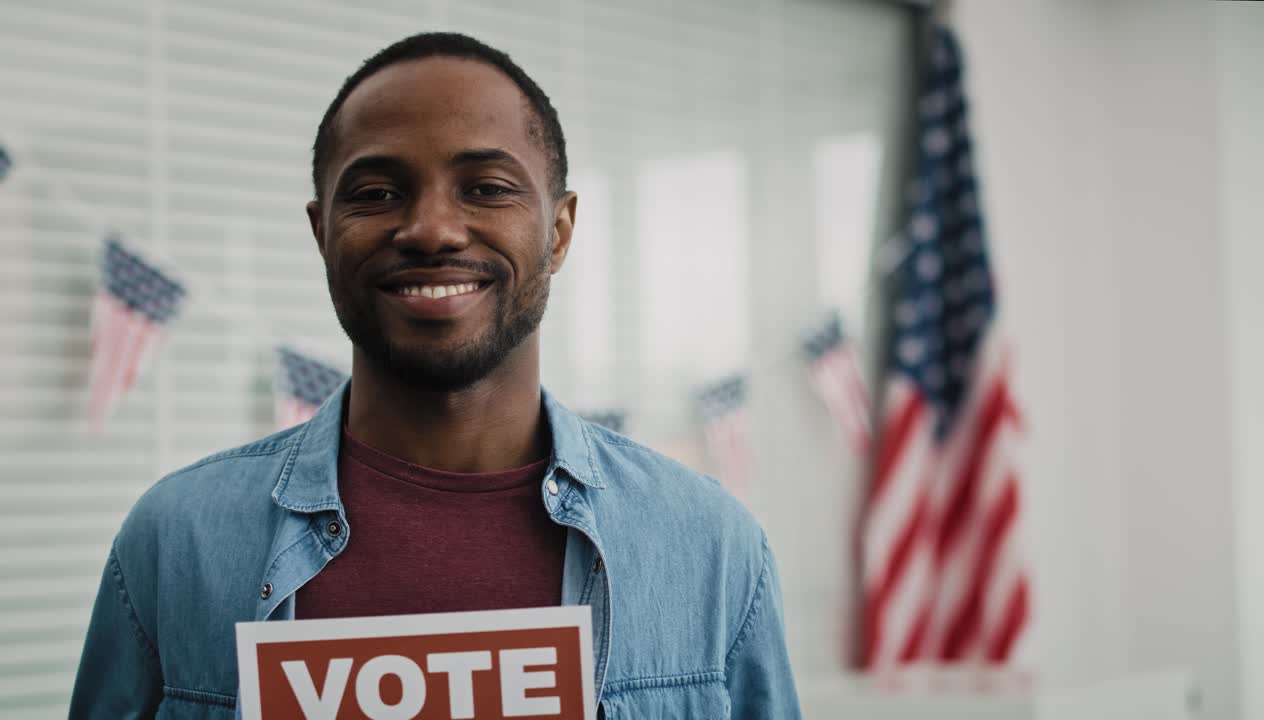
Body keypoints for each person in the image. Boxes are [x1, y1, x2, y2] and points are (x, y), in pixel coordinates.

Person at [70, 32, 800, 719]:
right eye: (377, 193)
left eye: (485, 187)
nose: (431, 229)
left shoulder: (710, 546)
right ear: (322, 231)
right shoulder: (176, 541)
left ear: (560, 230)